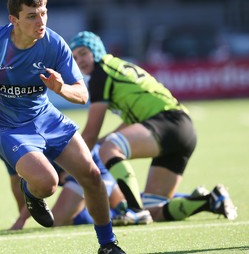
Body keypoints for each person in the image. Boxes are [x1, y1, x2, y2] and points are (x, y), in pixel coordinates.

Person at [0, 0, 125, 253]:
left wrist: (61, 88)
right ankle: (32, 191)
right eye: (31, 16)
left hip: (47, 118)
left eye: (43, 13)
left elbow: (82, 94)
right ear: (13, 20)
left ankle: (108, 245)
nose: (40, 22)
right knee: (47, 184)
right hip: (7, 128)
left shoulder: (54, 44)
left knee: (92, 175)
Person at [69, 31, 238, 222]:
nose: (80, 60)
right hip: (182, 130)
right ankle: (209, 201)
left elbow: (91, 133)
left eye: (83, 53)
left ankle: (133, 210)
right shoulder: (114, 67)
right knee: (154, 209)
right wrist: (101, 141)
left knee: (110, 147)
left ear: (96, 51)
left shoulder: (101, 72)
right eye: (75, 57)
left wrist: (70, 162)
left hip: (168, 122)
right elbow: (132, 121)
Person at [7, 144, 153, 230]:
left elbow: (36, 187)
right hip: (78, 174)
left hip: (95, 169)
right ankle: (129, 204)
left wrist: (21, 220)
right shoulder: (7, 145)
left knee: (58, 221)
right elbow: (18, 183)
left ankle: (123, 212)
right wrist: (23, 216)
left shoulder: (32, 145)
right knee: (123, 205)